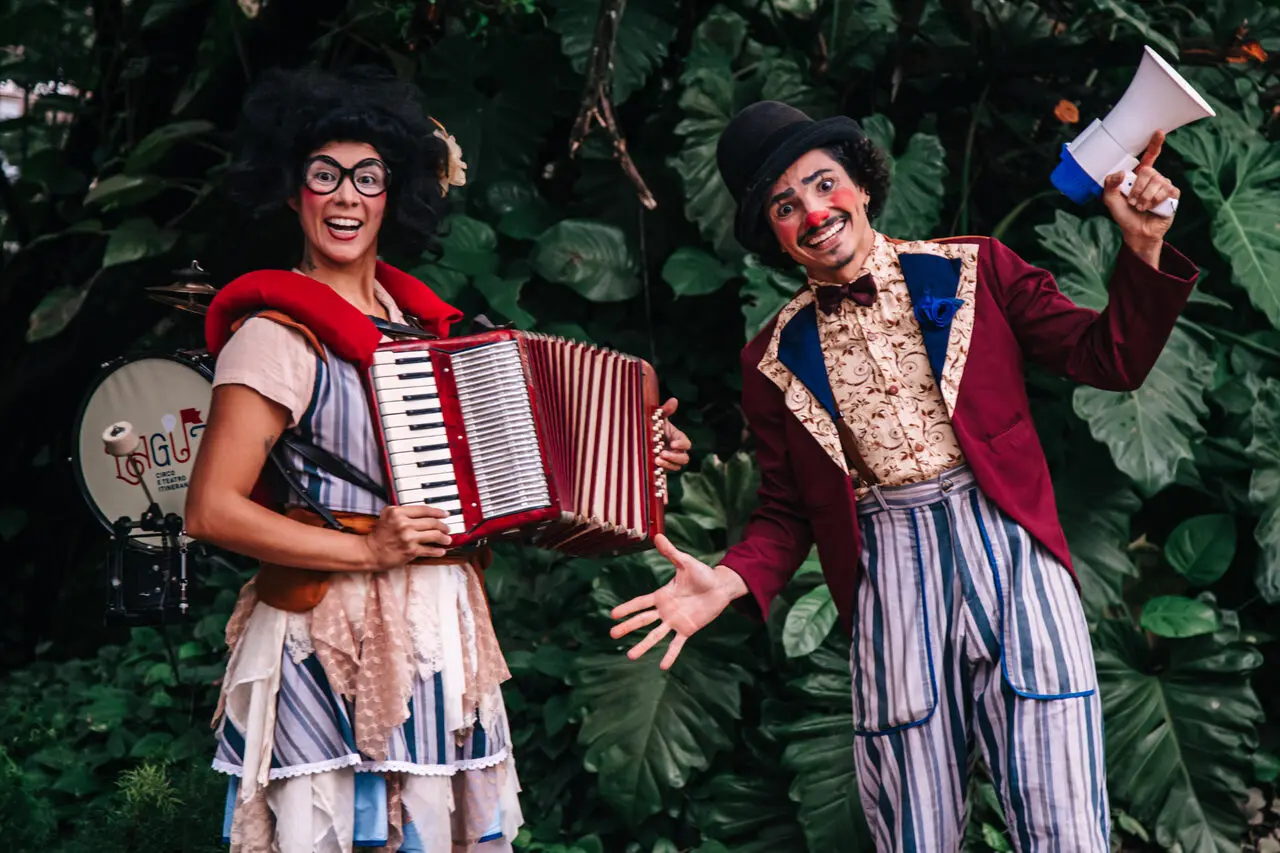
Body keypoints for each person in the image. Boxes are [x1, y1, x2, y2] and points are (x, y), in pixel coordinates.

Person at [610, 100, 1198, 852]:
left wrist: (1143, 247)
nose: (814, 213)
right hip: (888, 569)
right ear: (774, 236)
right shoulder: (771, 359)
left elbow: (1108, 357)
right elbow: (787, 512)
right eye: (785, 207)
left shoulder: (976, 268)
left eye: (824, 184)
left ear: (860, 183)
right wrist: (728, 580)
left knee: (1062, 803)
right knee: (913, 816)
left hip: (1009, 542)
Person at [186, 65, 691, 853]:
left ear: (392, 195)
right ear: (293, 190)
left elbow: (521, 476)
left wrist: (636, 448)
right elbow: (210, 509)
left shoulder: (428, 332)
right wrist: (366, 550)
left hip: (442, 627)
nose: (346, 197)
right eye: (324, 175)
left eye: (368, 177)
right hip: (330, 628)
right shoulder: (274, 336)